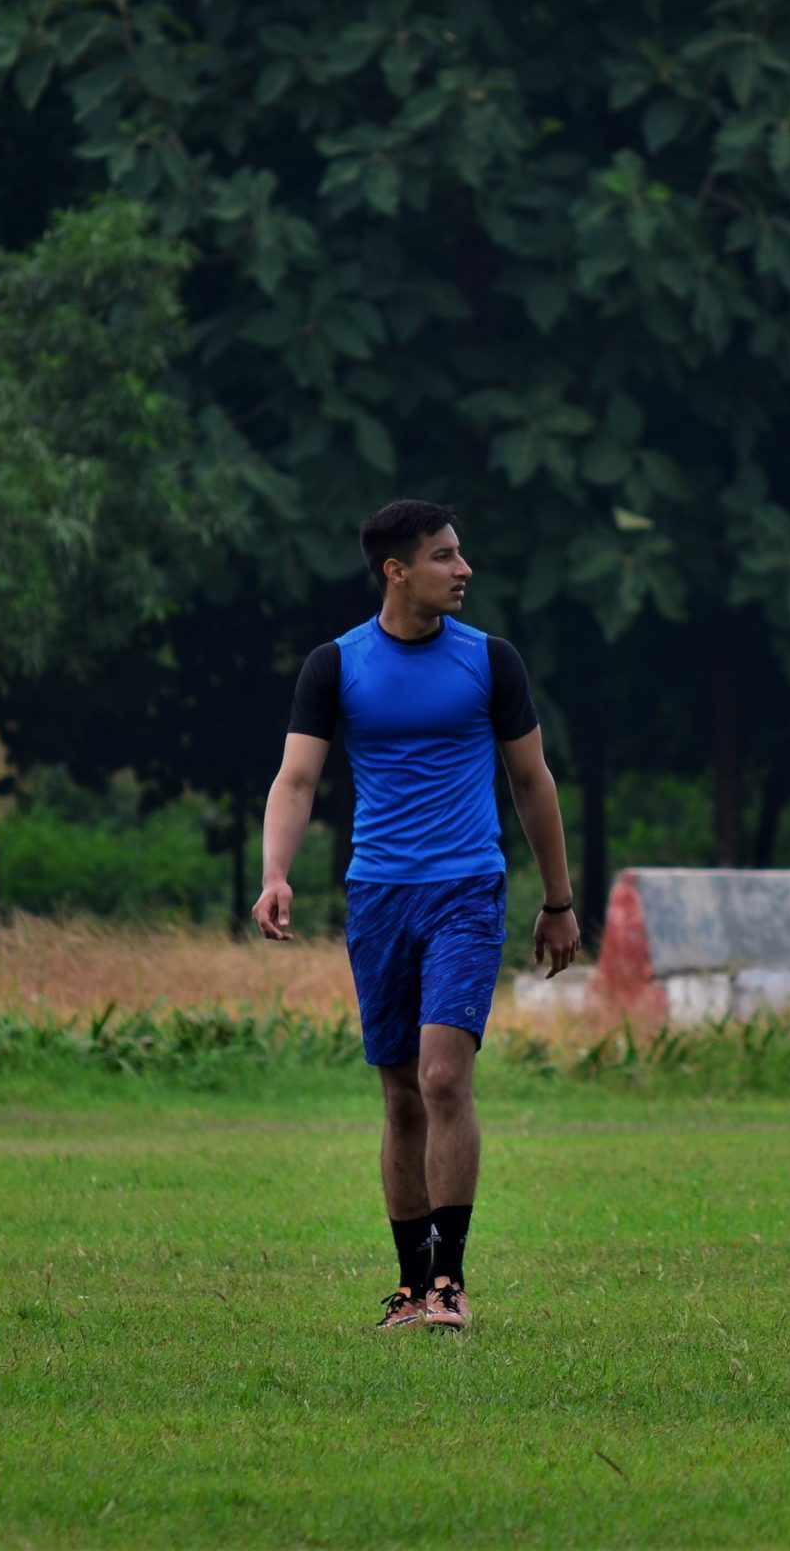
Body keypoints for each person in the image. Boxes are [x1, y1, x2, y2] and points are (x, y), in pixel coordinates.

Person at [253, 499, 579, 1333]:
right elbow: (296, 781)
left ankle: (451, 1283)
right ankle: (409, 1285)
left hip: (468, 889)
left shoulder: (491, 662)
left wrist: (557, 900)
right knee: (400, 1098)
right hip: (379, 897)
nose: (463, 569)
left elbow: (533, 783)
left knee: (443, 1077)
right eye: (443, 556)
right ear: (396, 571)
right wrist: (276, 874)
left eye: (460, 554)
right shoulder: (336, 666)